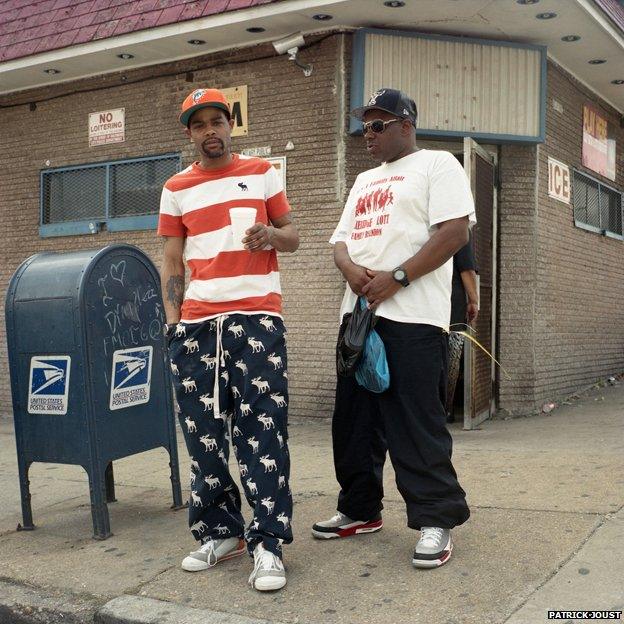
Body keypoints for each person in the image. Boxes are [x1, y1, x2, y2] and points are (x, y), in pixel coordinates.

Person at [312, 88, 474, 569]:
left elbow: (454, 233)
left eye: (378, 125)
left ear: (407, 124)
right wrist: (349, 270)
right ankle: (359, 510)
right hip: (359, 317)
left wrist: (398, 276)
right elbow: (340, 241)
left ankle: (435, 519)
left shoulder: (438, 165)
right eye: (365, 126)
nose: (369, 134)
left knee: (414, 425)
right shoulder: (363, 180)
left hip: (413, 319)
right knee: (354, 424)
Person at [158, 88, 299, 591]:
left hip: (256, 318)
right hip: (196, 325)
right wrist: (174, 323)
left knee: (263, 432)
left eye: (218, 120)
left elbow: (293, 236)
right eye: (200, 124)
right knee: (203, 435)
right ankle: (222, 532)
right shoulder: (175, 187)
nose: (211, 130)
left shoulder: (262, 173)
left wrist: (270, 235)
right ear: (190, 133)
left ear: (230, 125)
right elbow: (173, 261)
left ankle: (267, 543)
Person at [446, 240, 479, 423]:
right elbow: (467, 269)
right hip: (453, 310)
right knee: (451, 361)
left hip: (423, 312)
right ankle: (446, 410)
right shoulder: (459, 229)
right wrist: (474, 300)